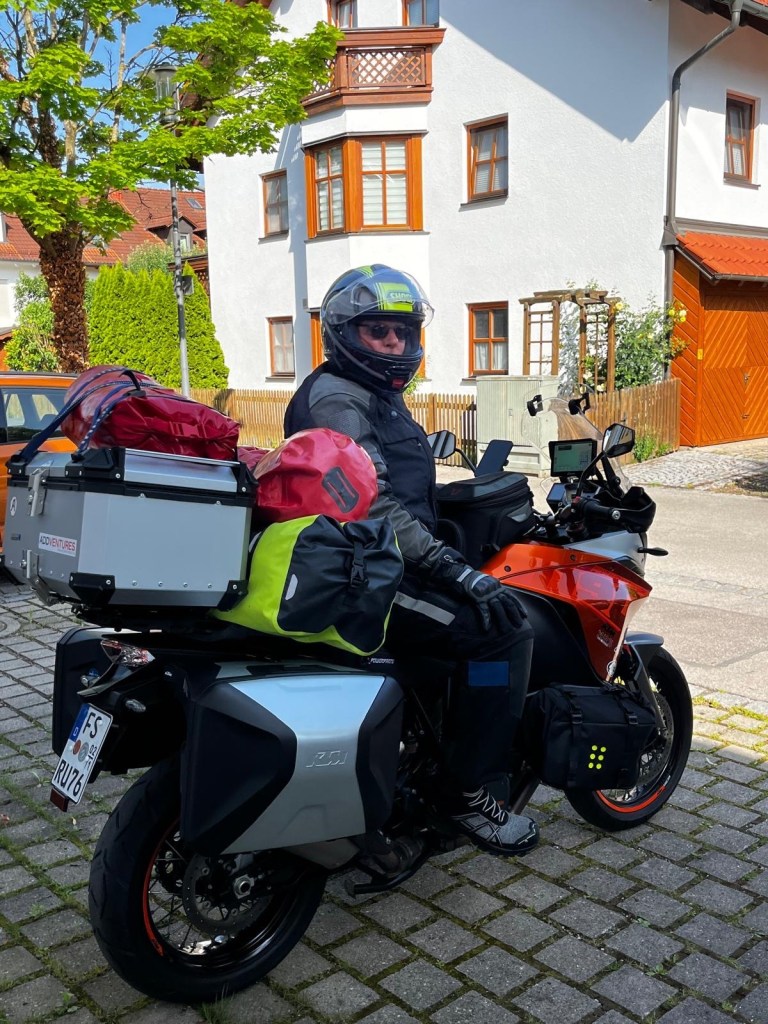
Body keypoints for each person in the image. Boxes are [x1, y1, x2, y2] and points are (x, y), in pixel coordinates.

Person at [284, 264, 538, 857]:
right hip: (366, 573)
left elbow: (394, 485)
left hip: (378, 560)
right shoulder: (339, 400)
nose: (395, 344)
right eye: (378, 331)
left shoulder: (373, 395)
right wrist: (454, 569)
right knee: (502, 632)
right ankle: (465, 793)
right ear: (343, 333)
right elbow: (374, 506)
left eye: (403, 331)